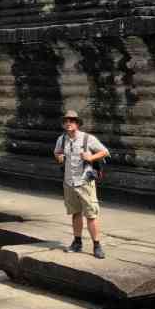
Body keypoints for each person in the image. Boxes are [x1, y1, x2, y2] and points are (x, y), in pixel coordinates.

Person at [54, 110, 110, 259]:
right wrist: (59, 157)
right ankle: (77, 242)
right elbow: (57, 153)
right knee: (75, 213)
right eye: (66, 121)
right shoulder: (61, 139)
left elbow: (105, 152)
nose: (68, 123)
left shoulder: (87, 138)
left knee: (91, 215)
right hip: (69, 182)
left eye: (71, 121)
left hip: (84, 182)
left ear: (77, 124)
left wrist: (91, 157)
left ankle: (97, 245)